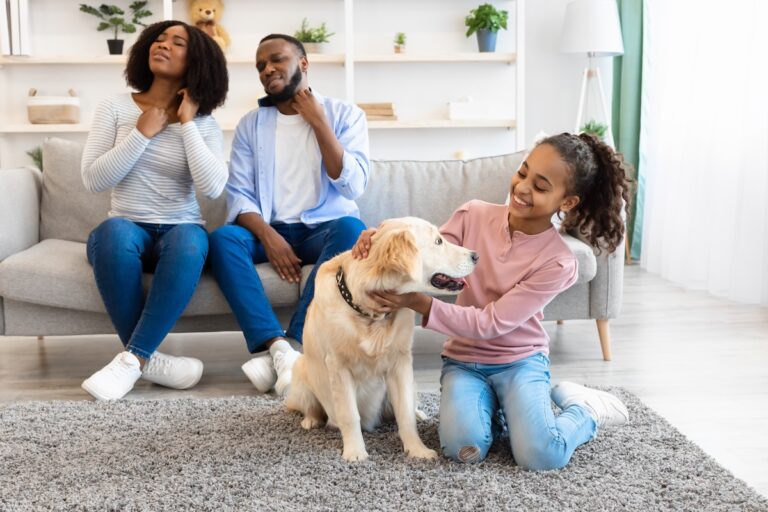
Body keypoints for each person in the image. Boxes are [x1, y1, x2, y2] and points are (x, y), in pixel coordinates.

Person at [352, 133, 632, 469]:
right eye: (523, 172)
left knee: (542, 456)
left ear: (567, 202)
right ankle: (502, 410)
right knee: (463, 449)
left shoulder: (558, 261)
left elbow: (491, 323)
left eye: (541, 187)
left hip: (520, 362)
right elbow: (429, 253)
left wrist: (421, 304)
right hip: (464, 361)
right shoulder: (473, 214)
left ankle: (585, 410)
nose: (523, 187)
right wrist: (378, 236)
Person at [208, 34, 369, 395]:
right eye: (261, 66)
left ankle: (294, 343)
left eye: (277, 60)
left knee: (352, 228)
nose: (268, 69)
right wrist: (269, 236)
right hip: (270, 230)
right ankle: (276, 347)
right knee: (222, 239)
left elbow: (353, 188)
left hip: (324, 230)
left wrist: (319, 123)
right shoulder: (252, 124)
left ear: (304, 64)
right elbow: (239, 195)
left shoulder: (346, 115)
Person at [80, 20, 229, 400]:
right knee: (112, 233)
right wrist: (141, 133)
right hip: (127, 228)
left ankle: (131, 361)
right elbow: (94, 179)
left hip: (181, 231)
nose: (162, 45)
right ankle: (148, 359)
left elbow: (212, 188)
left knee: (191, 241)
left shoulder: (205, 123)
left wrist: (187, 123)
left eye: (177, 43)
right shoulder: (114, 107)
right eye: (158, 39)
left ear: (196, 61)